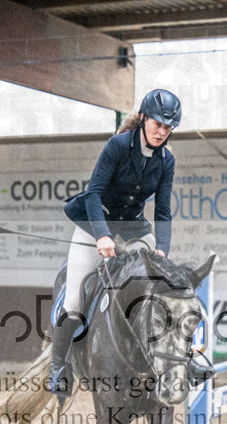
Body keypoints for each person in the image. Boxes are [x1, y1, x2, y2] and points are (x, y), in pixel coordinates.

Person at [48, 88, 182, 400]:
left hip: (134, 227)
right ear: (144, 118)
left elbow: (162, 210)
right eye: (158, 125)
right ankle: (58, 367)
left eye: (168, 127)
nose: (162, 132)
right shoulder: (118, 146)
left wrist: (162, 248)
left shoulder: (166, 161)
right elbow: (93, 193)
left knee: (158, 284)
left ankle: (154, 359)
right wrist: (102, 235)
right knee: (74, 303)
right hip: (94, 222)